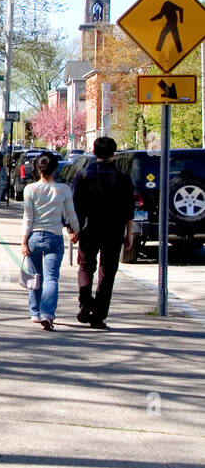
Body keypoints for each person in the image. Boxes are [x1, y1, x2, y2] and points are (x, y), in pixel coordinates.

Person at [71, 136, 136, 329]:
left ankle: (85, 302)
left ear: (93, 152)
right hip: (114, 230)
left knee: (85, 266)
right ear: (113, 154)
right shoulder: (123, 177)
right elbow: (128, 208)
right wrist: (129, 233)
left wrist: (74, 230)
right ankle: (99, 316)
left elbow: (77, 206)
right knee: (107, 272)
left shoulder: (82, 175)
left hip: (89, 228)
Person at [21, 153, 80, 330]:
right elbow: (71, 214)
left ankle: (34, 312)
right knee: (51, 278)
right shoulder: (64, 189)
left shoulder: (30, 189)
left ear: (37, 168)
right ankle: (48, 314)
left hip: (34, 237)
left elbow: (27, 217)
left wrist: (23, 241)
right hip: (54, 237)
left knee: (35, 276)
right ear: (55, 168)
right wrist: (76, 231)